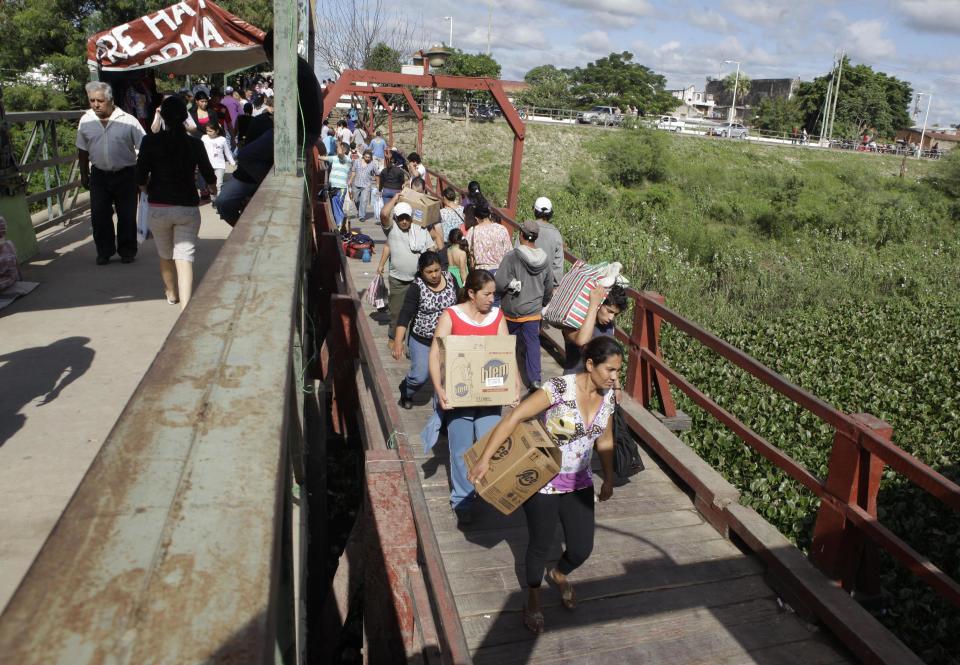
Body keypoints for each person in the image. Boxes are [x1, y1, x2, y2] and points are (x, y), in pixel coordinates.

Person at [467, 335, 620, 634]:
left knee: (581, 548)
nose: (615, 378)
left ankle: (559, 573)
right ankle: (533, 598)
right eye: (610, 370)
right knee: (539, 543)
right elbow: (515, 418)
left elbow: (606, 438)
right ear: (590, 365)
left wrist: (609, 478)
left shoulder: (608, 396)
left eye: (618, 371)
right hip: (544, 481)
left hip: (580, 482)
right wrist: (485, 458)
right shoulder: (559, 389)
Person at [429, 269, 513, 523]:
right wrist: (439, 389)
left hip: (490, 398)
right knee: (461, 448)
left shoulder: (497, 317)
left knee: (490, 444)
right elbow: (435, 354)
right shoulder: (451, 316)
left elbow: (506, 353)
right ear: (471, 293)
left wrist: (515, 385)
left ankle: (485, 491)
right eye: (487, 294)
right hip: (460, 397)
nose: (492, 299)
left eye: (494, 294)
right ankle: (462, 501)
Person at [136, 96, 217, 310]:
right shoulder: (195, 143)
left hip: (159, 206)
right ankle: (186, 307)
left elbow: (140, 175)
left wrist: (145, 189)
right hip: (187, 207)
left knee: (165, 254)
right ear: (184, 117)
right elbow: (209, 174)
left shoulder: (150, 141)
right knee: (185, 257)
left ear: (162, 115)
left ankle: (171, 293)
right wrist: (213, 188)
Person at [76, 81, 146, 265]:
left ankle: (127, 251)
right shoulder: (86, 120)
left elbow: (144, 147)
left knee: (127, 215)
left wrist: (143, 174)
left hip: (126, 174)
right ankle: (104, 252)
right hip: (99, 174)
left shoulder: (129, 121)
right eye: (92, 101)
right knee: (99, 215)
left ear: (110, 100)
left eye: (100, 100)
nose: (96, 105)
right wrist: (83, 173)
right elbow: (82, 149)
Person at [393, 251, 458, 409]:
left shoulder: (450, 278)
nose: (434, 275)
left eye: (436, 270)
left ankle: (443, 416)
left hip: (446, 340)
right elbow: (405, 314)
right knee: (420, 376)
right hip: (422, 339)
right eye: (429, 272)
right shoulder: (417, 287)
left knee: (448, 378)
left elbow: (461, 303)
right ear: (421, 271)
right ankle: (406, 390)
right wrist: (398, 342)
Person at [496, 221, 555, 390]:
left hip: (512, 310)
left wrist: (509, 285)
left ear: (521, 235)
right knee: (532, 343)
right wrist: (542, 303)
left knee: (506, 343)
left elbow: (499, 283)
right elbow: (548, 286)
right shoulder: (544, 260)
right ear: (535, 237)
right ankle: (535, 379)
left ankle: (503, 376)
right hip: (533, 311)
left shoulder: (512, 256)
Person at [377, 200, 436, 340]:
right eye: (400, 218)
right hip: (398, 279)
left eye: (407, 218)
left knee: (416, 311)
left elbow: (431, 249)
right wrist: (396, 197)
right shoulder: (391, 229)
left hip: (418, 279)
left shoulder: (420, 229)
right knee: (396, 311)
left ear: (411, 217)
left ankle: (411, 339)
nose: (404, 221)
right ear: (396, 218)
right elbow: (384, 214)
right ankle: (393, 337)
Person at [562, 283, 628, 373]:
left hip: (600, 385)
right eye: (609, 311)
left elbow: (610, 360)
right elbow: (582, 341)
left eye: (615, 314)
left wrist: (616, 387)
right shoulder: (574, 322)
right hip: (575, 382)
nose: (611, 318)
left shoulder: (609, 327)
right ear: (599, 304)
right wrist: (593, 304)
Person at [525, 196, 565, 286]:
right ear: (550, 213)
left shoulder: (527, 228)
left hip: (524, 281)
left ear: (535, 211)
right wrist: (555, 285)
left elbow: (516, 252)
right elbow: (557, 266)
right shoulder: (556, 234)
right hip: (544, 285)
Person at [466, 199, 512, 276]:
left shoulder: (472, 231)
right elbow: (509, 252)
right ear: (490, 215)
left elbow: (467, 250)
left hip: (480, 274)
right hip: (500, 272)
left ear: (476, 218)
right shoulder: (501, 229)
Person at [321, 142, 352, 231]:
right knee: (335, 205)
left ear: (344, 150)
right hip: (332, 187)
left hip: (341, 188)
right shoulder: (334, 158)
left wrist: (338, 144)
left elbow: (340, 155)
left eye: (339, 148)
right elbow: (323, 158)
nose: (337, 149)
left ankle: (340, 223)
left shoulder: (347, 159)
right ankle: (340, 224)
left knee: (337, 205)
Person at [201, 123, 235, 202]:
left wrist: (232, 162)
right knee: (211, 185)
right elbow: (200, 151)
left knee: (219, 184)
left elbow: (227, 152)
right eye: (207, 131)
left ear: (217, 131)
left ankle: (218, 202)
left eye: (211, 131)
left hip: (220, 165)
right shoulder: (204, 138)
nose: (208, 133)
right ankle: (214, 198)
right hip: (208, 165)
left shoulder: (222, 139)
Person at [348, 148, 379, 223]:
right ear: (363, 156)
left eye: (369, 157)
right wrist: (350, 180)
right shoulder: (356, 161)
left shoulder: (373, 164)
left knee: (364, 200)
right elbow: (353, 171)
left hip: (367, 185)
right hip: (356, 183)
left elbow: (377, 174)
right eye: (366, 157)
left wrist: (377, 184)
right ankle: (359, 210)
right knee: (356, 199)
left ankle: (362, 216)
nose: (367, 158)